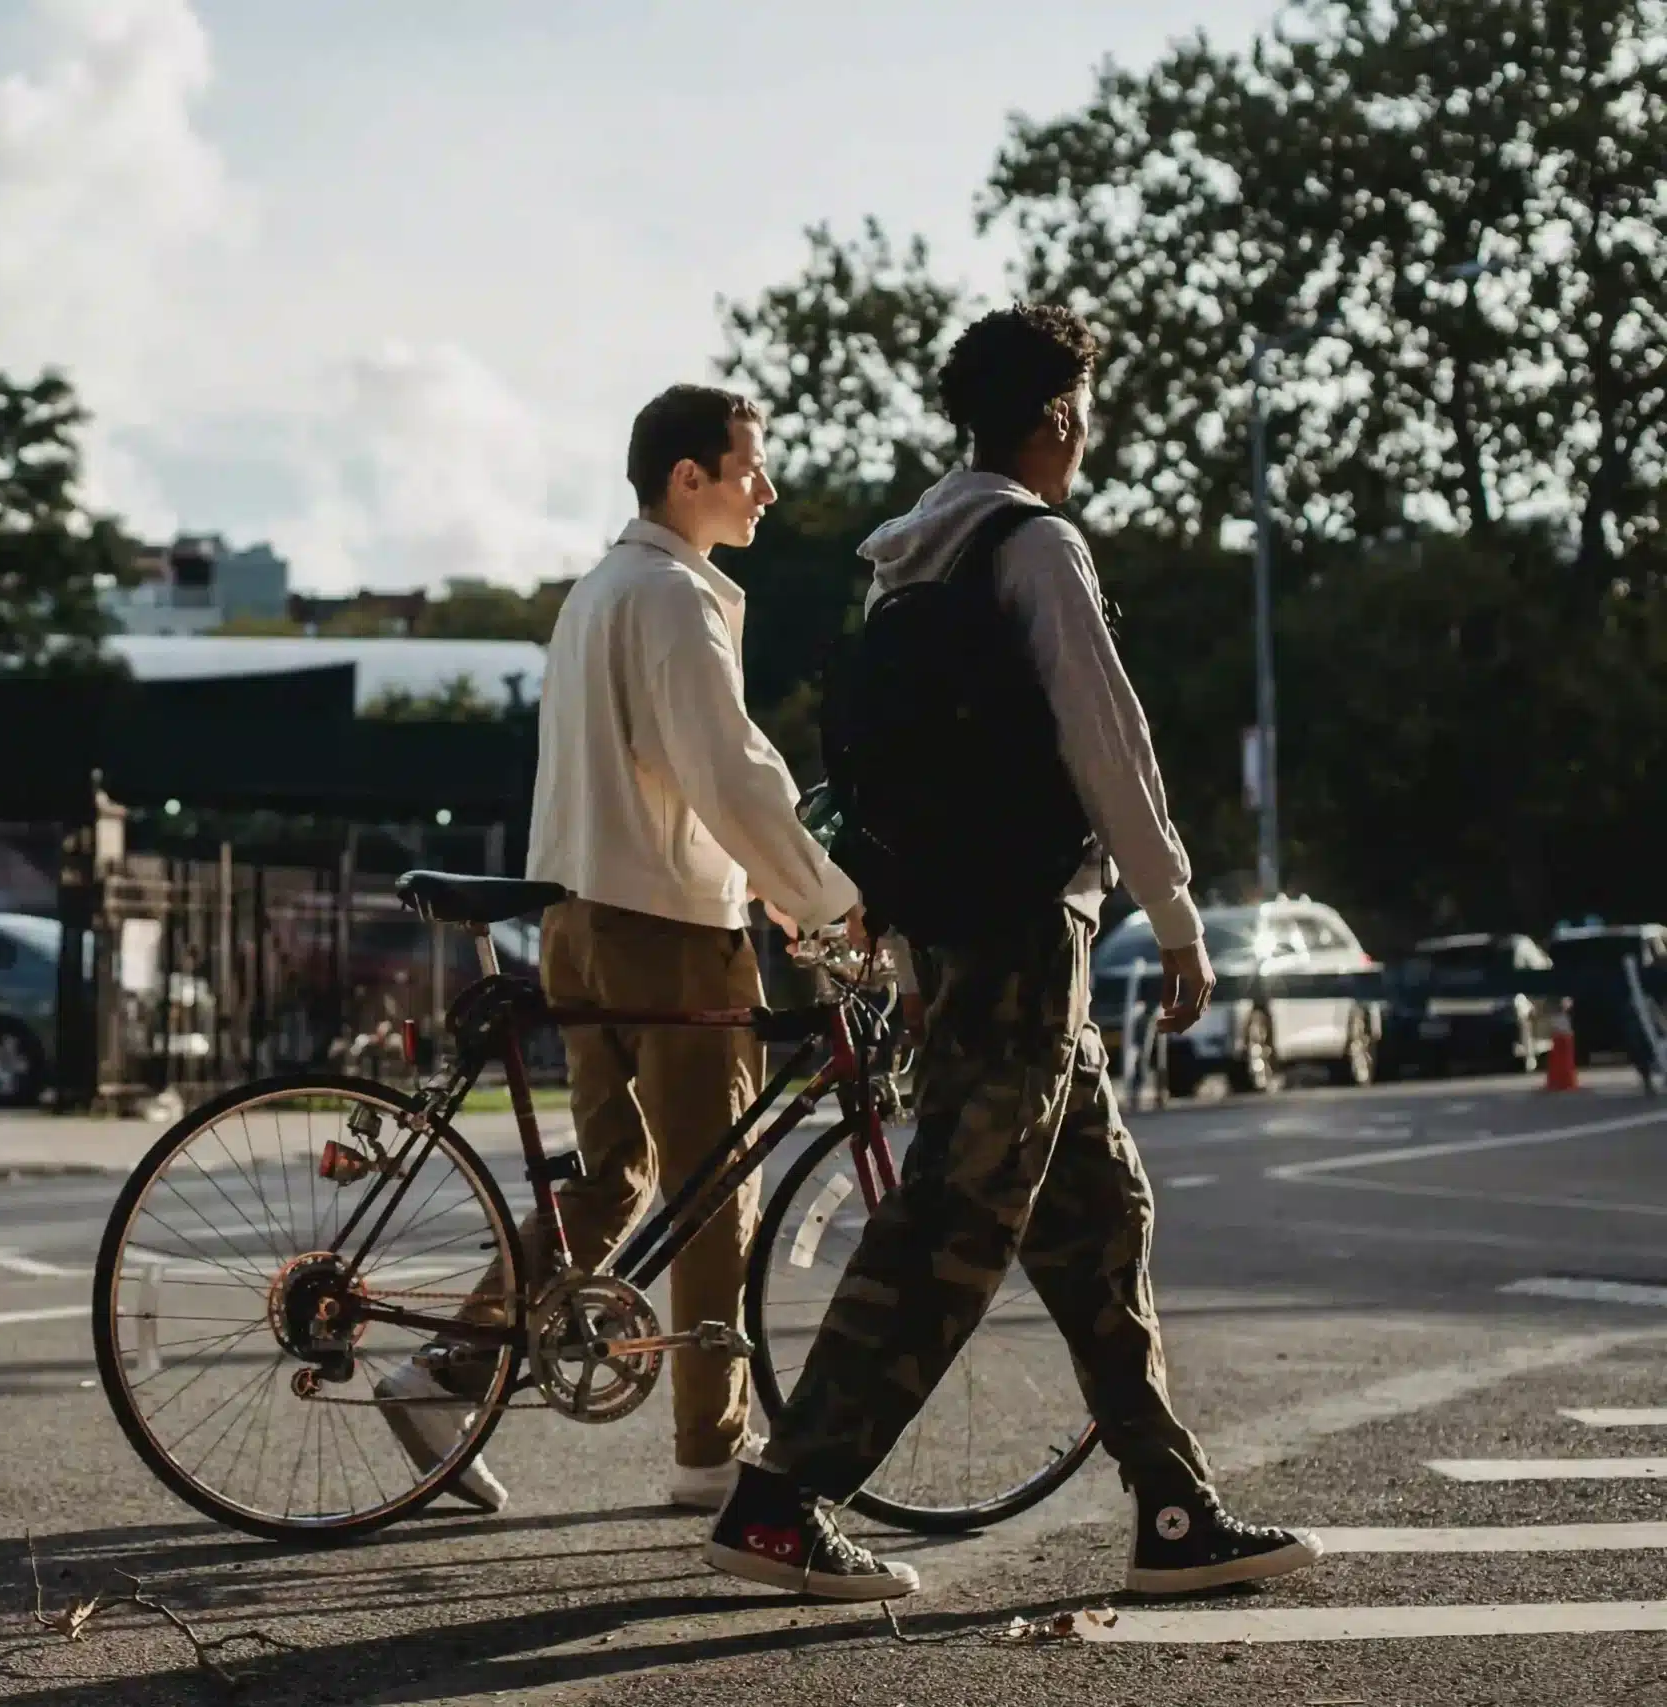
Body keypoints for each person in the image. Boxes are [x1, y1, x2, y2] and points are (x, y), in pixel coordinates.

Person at [704, 304, 1325, 1601]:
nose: (1087, 433)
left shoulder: (908, 560)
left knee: (1102, 1216)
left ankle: (1170, 1504)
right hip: (1031, 933)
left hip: (962, 930)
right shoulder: (1035, 546)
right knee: (951, 1225)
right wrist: (1177, 911)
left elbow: (885, 781)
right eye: (1082, 410)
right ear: (1055, 417)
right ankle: (781, 1494)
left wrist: (915, 945)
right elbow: (1111, 742)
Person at [375, 383, 863, 1513]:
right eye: (749, 467)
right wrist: (822, 898)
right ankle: (708, 1454)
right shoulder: (671, 598)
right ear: (685, 477)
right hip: (666, 928)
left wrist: (776, 888)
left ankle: (443, 1366)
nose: (767, 488)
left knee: (611, 1179)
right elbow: (726, 771)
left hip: (576, 920)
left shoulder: (597, 591)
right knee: (710, 1194)